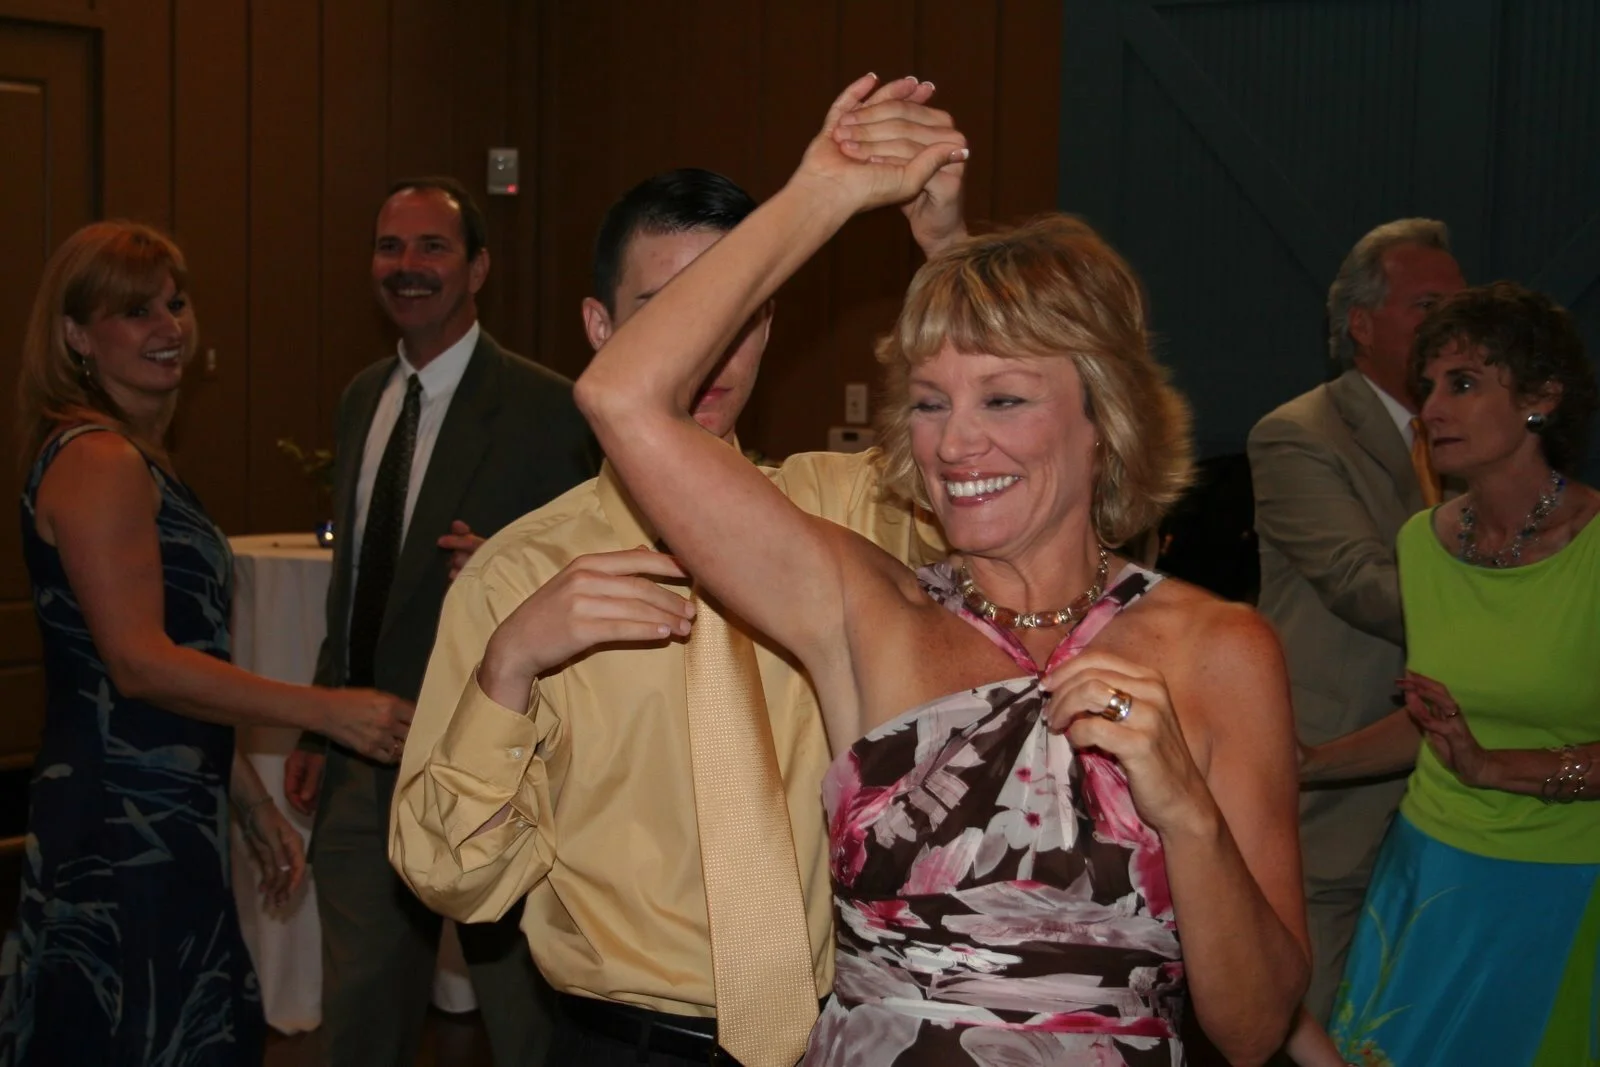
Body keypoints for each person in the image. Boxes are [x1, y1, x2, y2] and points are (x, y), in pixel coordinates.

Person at [570, 75, 1309, 1065]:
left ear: (1104, 420)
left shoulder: (1220, 650)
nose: (955, 443)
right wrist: (823, 190)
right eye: (928, 402)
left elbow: (1256, 1027)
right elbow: (622, 395)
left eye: (1002, 399)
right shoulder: (865, 607)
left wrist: (1186, 813)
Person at [391, 83, 966, 1067]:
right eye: (672, 313)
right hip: (619, 1042)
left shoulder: (842, 511)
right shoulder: (520, 574)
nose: (709, 349)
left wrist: (950, 245)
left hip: (855, 1029)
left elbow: (1006, 453)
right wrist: (510, 667)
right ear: (602, 328)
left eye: (735, 310)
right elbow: (454, 876)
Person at [0, 221, 408, 1066]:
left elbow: (175, 668)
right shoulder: (99, 458)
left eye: (174, 304)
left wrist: (252, 807)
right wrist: (327, 709)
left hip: (166, 815)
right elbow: (139, 663)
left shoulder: (139, 458)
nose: (167, 326)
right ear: (77, 336)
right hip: (118, 828)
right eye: (133, 311)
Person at [277, 176, 596, 1067]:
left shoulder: (550, 409)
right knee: (360, 1019)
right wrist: (315, 715)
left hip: (493, 771)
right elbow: (354, 585)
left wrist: (509, 565)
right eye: (390, 247)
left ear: (479, 267)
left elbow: (598, 564)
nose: (407, 267)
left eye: (432, 248)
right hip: (360, 762)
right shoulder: (361, 399)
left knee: (527, 1029)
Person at [1290, 282, 1600, 1067]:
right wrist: (1308, 764)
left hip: (1561, 889)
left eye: (1463, 383)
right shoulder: (1423, 543)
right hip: (1428, 875)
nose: (1431, 409)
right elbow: (1436, 721)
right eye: (1426, 386)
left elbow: (1475, 745)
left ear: (1541, 398)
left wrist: (1496, 767)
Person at [1248, 218, 1465, 1019]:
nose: (1452, 327)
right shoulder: (1298, 434)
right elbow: (1359, 584)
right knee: (1312, 1020)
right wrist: (1515, 609)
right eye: (1429, 305)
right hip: (1331, 784)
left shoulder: (1475, 441)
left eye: (1461, 308)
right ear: (1361, 324)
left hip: (1454, 793)